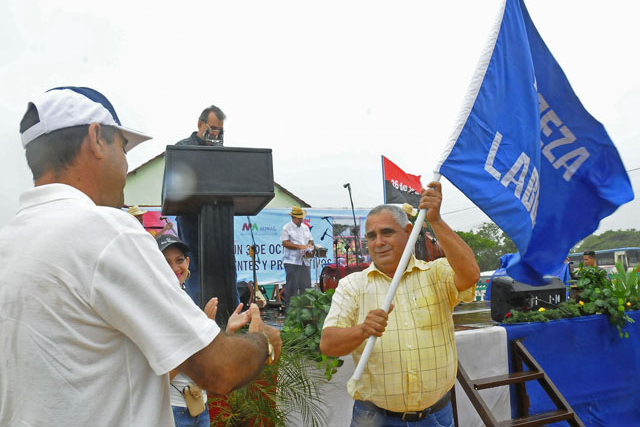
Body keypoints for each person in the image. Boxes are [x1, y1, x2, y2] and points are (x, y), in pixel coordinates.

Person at [0, 86, 280, 426]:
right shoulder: (107, 232)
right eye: (124, 146)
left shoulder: (9, 242)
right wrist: (264, 341)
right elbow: (217, 369)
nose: (126, 163)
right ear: (96, 139)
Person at [319, 183, 480, 427]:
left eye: (387, 232)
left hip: (435, 417)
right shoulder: (353, 285)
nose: (379, 242)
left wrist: (435, 221)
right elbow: (328, 344)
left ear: (409, 231)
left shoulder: (435, 274)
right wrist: (362, 330)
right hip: (374, 418)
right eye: (372, 236)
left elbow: (470, 274)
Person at [156, 234, 249, 427]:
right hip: (175, 409)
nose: (175, 268)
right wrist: (200, 334)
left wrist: (227, 331)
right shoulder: (157, 305)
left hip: (199, 404)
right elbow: (164, 374)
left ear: (188, 262)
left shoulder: (185, 298)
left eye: (179, 260)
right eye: (165, 263)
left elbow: (205, 357)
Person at [174, 104, 233, 307]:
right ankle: (199, 314)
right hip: (190, 217)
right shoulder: (181, 147)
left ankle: (225, 313)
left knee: (222, 265)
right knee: (195, 268)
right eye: (214, 128)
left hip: (218, 218)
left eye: (220, 129)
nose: (217, 133)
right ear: (200, 124)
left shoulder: (221, 152)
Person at [281, 205, 314, 308]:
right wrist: (299, 247)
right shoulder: (286, 228)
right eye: (299, 218)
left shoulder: (305, 227)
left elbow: (311, 240)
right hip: (292, 262)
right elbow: (285, 243)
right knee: (291, 289)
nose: (301, 220)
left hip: (304, 261)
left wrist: (309, 245)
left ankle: (305, 312)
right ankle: (290, 313)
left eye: (302, 218)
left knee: (306, 287)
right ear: (293, 218)